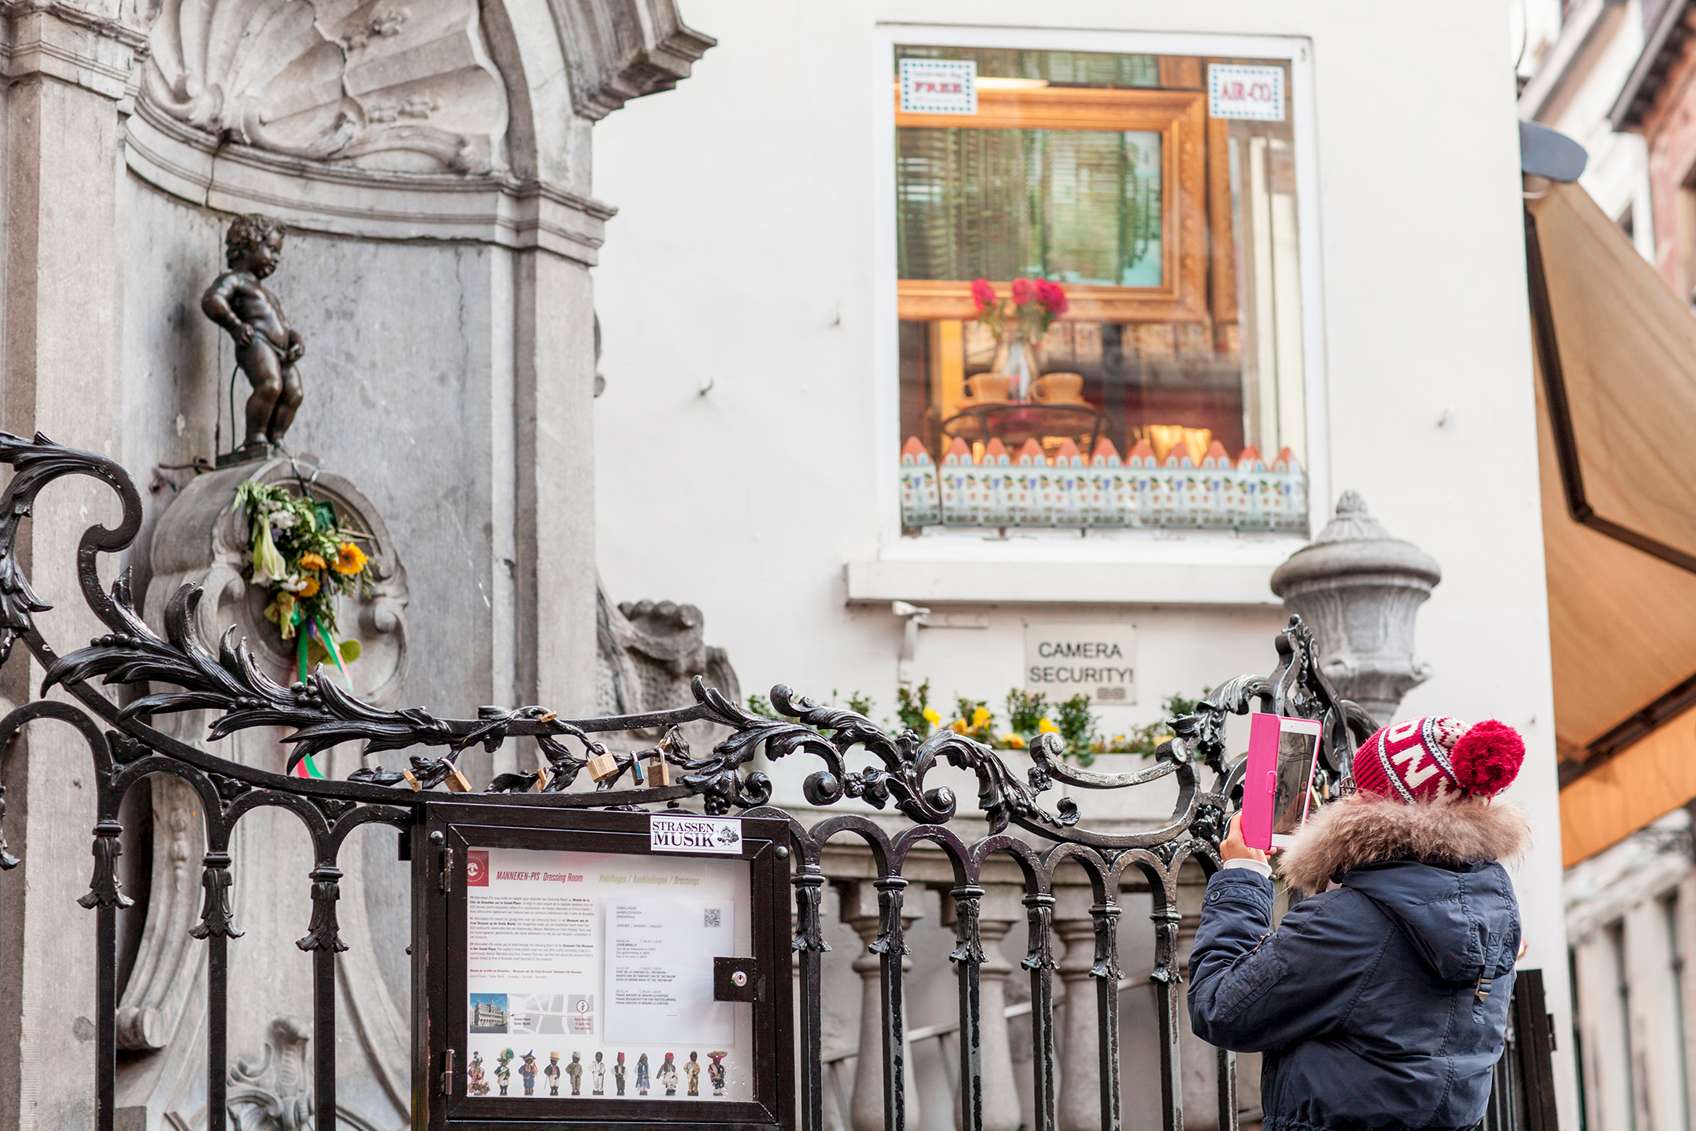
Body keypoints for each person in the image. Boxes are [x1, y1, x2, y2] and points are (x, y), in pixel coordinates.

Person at [1189, 716, 1529, 1131]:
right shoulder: (1494, 904)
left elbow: (1221, 1007)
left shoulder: (1346, 924)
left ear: (1372, 805)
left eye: (1352, 790)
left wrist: (1242, 873)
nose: (1342, 801)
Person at [201, 214, 306, 451]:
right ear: (248, 245)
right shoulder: (235, 281)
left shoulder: (267, 293)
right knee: (269, 385)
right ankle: (255, 437)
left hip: (282, 350)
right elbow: (212, 300)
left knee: (294, 393)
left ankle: (276, 438)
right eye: (271, 249)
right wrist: (234, 325)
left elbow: (285, 326)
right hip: (256, 341)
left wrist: (296, 341)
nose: (276, 259)